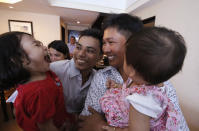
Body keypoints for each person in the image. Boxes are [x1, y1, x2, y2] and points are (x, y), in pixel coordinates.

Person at [80, 13, 189, 131]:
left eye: (111, 42)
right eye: (104, 43)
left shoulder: (157, 87)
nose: (105, 49)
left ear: (131, 42)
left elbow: (178, 127)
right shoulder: (102, 77)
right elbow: (86, 118)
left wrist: (104, 126)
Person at [100, 27, 186, 130]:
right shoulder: (146, 79)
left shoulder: (142, 102)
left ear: (131, 70)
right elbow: (130, 89)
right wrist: (117, 86)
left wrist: (115, 129)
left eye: (125, 57)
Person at [0, 31, 70, 131]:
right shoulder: (39, 92)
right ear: (19, 59)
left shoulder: (44, 73)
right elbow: (47, 127)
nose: (45, 47)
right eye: (37, 45)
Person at [50, 29, 102, 116]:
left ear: (100, 57)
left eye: (90, 51)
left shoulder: (98, 79)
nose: (81, 54)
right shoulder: (55, 69)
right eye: (78, 47)